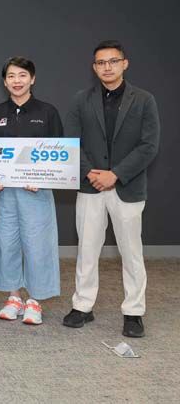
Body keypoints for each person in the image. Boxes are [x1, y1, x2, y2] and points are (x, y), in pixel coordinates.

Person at [63, 40, 160, 338]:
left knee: (131, 252)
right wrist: (92, 173)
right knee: (87, 249)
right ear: (94, 68)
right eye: (101, 63)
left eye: (113, 61)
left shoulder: (144, 100)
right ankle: (83, 305)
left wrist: (115, 174)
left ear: (124, 63)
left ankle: (134, 311)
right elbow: (73, 142)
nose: (107, 67)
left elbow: (149, 146)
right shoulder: (81, 99)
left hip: (127, 188)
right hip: (90, 186)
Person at [0, 57, 63, 325]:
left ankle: (35, 300)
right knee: (5, 242)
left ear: (33, 78)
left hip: (36, 192)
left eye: (22, 75)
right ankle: (14, 296)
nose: (17, 81)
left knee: (37, 245)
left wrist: (43, 177)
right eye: (11, 76)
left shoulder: (47, 112)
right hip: (3, 192)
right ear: (4, 81)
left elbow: (60, 155)